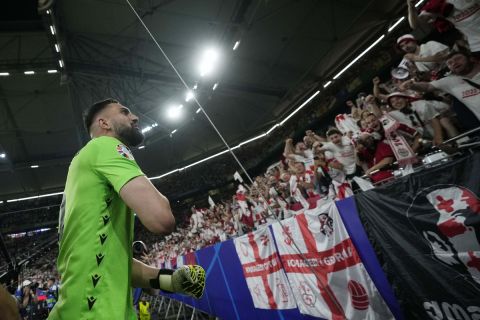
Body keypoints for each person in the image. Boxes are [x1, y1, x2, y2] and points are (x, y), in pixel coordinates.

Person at [48, 99, 205, 319]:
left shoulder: (79, 169)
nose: (135, 117)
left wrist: (172, 281)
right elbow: (161, 219)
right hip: (98, 311)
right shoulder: (106, 146)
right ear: (105, 124)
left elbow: (115, 266)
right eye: (124, 112)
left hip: (73, 308)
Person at [401, 51, 480, 127]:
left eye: (458, 58)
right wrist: (412, 85)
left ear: (471, 59)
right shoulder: (450, 81)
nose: (454, 63)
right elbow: (427, 87)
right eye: (450, 63)